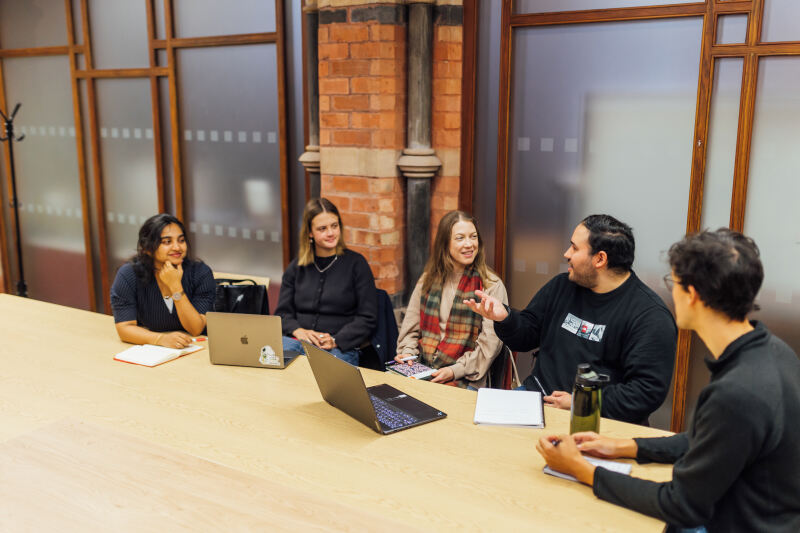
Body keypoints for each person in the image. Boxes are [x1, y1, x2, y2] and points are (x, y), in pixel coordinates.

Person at [535, 229, 800, 532]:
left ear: (692, 295)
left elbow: (682, 504)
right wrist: (625, 446)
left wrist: (581, 469)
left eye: (673, 283)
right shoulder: (773, 351)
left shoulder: (738, 392)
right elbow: (708, 440)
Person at [466, 214, 676, 424]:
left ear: (600, 259)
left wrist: (580, 402)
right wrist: (505, 317)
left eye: (575, 248)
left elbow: (645, 393)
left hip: (595, 419)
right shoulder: (562, 286)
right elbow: (526, 336)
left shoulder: (650, 316)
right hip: (534, 401)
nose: (566, 254)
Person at [395, 211, 508, 388]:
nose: (469, 244)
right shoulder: (427, 280)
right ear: (444, 243)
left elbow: (489, 347)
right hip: (422, 368)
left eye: (473, 237)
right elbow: (410, 330)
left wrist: (454, 371)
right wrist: (408, 355)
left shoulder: (491, 285)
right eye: (460, 238)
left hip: (466, 377)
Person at [276, 197, 377, 366]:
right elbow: (282, 314)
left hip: (339, 347)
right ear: (310, 232)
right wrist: (298, 330)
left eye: (334, 226)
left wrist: (336, 340)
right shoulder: (297, 267)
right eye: (322, 229)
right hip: (297, 342)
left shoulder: (356, 264)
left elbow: (368, 317)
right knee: (269, 363)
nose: (331, 233)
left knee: (327, 374)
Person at [110, 213, 215, 348]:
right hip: (153, 350)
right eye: (167, 242)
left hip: (195, 348)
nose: (177, 247)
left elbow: (196, 329)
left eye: (181, 240)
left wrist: (176, 287)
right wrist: (160, 339)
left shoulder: (200, 273)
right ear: (147, 248)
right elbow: (125, 327)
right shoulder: (129, 274)